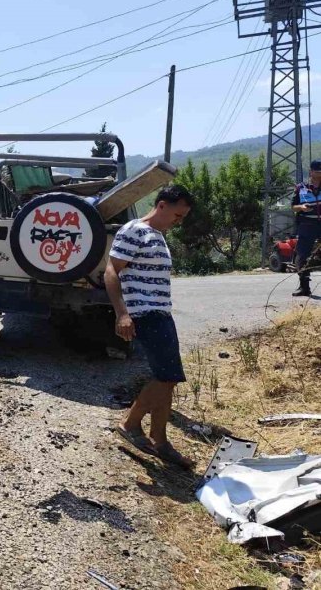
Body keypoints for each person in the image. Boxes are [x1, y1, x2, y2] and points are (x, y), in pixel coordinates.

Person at [104, 185, 196, 469]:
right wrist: (122, 313)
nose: (177, 221)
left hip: (160, 313)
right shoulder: (134, 230)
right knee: (167, 377)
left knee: (166, 378)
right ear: (161, 205)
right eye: (177, 215)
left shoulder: (158, 235)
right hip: (144, 314)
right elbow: (111, 270)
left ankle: (160, 439)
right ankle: (131, 424)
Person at [291, 159, 321, 297]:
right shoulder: (301, 187)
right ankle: (304, 287)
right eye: (317, 171)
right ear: (311, 172)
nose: (320, 173)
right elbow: (293, 207)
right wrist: (301, 207)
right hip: (307, 225)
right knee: (301, 255)